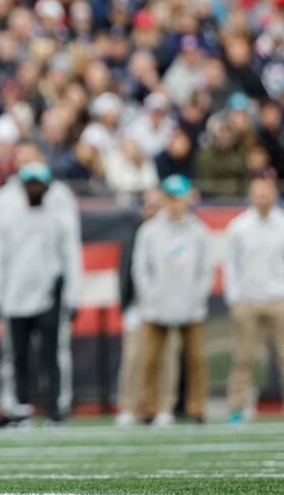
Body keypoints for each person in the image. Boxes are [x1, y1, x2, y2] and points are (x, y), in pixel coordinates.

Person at [0, 141, 82, 423]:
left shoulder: (60, 197)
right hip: (14, 291)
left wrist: (73, 291)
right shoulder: (3, 199)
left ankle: (58, 406)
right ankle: (14, 406)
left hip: (49, 292)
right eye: (22, 159)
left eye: (32, 158)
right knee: (14, 356)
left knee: (55, 353)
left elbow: (70, 248)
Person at [133, 174, 213, 426]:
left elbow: (206, 269)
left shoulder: (199, 230)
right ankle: (151, 407)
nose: (175, 203)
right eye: (170, 198)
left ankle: (196, 407)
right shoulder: (149, 230)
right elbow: (141, 269)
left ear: (187, 199)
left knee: (196, 360)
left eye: (178, 198)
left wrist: (197, 297)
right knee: (150, 360)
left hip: (191, 307)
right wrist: (151, 297)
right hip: (157, 307)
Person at [115, 189, 180, 427]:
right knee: (133, 358)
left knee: (167, 358)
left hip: (168, 305)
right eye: (148, 205)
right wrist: (127, 304)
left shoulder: (174, 232)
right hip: (140, 305)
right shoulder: (136, 233)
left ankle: (165, 407)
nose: (151, 209)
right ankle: (128, 407)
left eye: (156, 204)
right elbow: (125, 271)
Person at [223, 174, 284, 424]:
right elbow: (230, 265)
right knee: (243, 357)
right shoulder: (238, 227)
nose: (262, 196)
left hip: (279, 298)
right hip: (247, 299)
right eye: (257, 191)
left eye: (266, 191)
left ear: (274, 193)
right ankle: (237, 408)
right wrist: (234, 297)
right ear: (250, 194)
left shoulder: (282, 223)